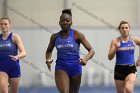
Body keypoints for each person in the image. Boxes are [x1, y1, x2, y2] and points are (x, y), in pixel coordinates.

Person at [45, 9, 95, 93]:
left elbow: (91, 50)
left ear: (71, 22)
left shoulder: (77, 35)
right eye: (62, 21)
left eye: (67, 21)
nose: (65, 22)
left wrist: (86, 59)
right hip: (61, 67)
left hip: (76, 68)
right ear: (59, 23)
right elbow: (49, 51)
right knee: (65, 91)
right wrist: (48, 60)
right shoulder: (54, 37)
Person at [108, 21, 140, 93]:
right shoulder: (115, 41)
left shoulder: (133, 39)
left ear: (129, 29)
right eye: (122, 28)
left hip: (131, 68)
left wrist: (139, 58)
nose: (125, 29)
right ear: (119, 30)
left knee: (129, 89)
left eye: (126, 28)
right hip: (119, 69)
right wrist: (115, 48)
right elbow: (109, 57)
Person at [0, 17, 26, 93]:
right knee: (3, 91)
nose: (3, 26)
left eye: (5, 24)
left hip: (14, 68)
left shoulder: (15, 37)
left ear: (9, 25)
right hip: (2, 68)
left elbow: (24, 52)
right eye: (1, 24)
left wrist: (17, 56)